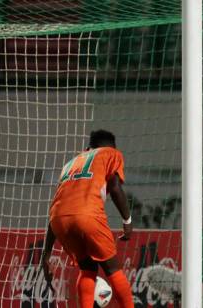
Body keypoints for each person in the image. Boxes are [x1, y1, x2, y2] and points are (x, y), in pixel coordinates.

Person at [41, 129, 134, 308]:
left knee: (87, 268)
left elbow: (58, 206)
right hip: (87, 215)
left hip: (58, 220)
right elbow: (115, 187)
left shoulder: (70, 164)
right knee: (113, 268)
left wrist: (46, 254)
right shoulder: (111, 154)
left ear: (88, 148)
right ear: (112, 147)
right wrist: (127, 221)